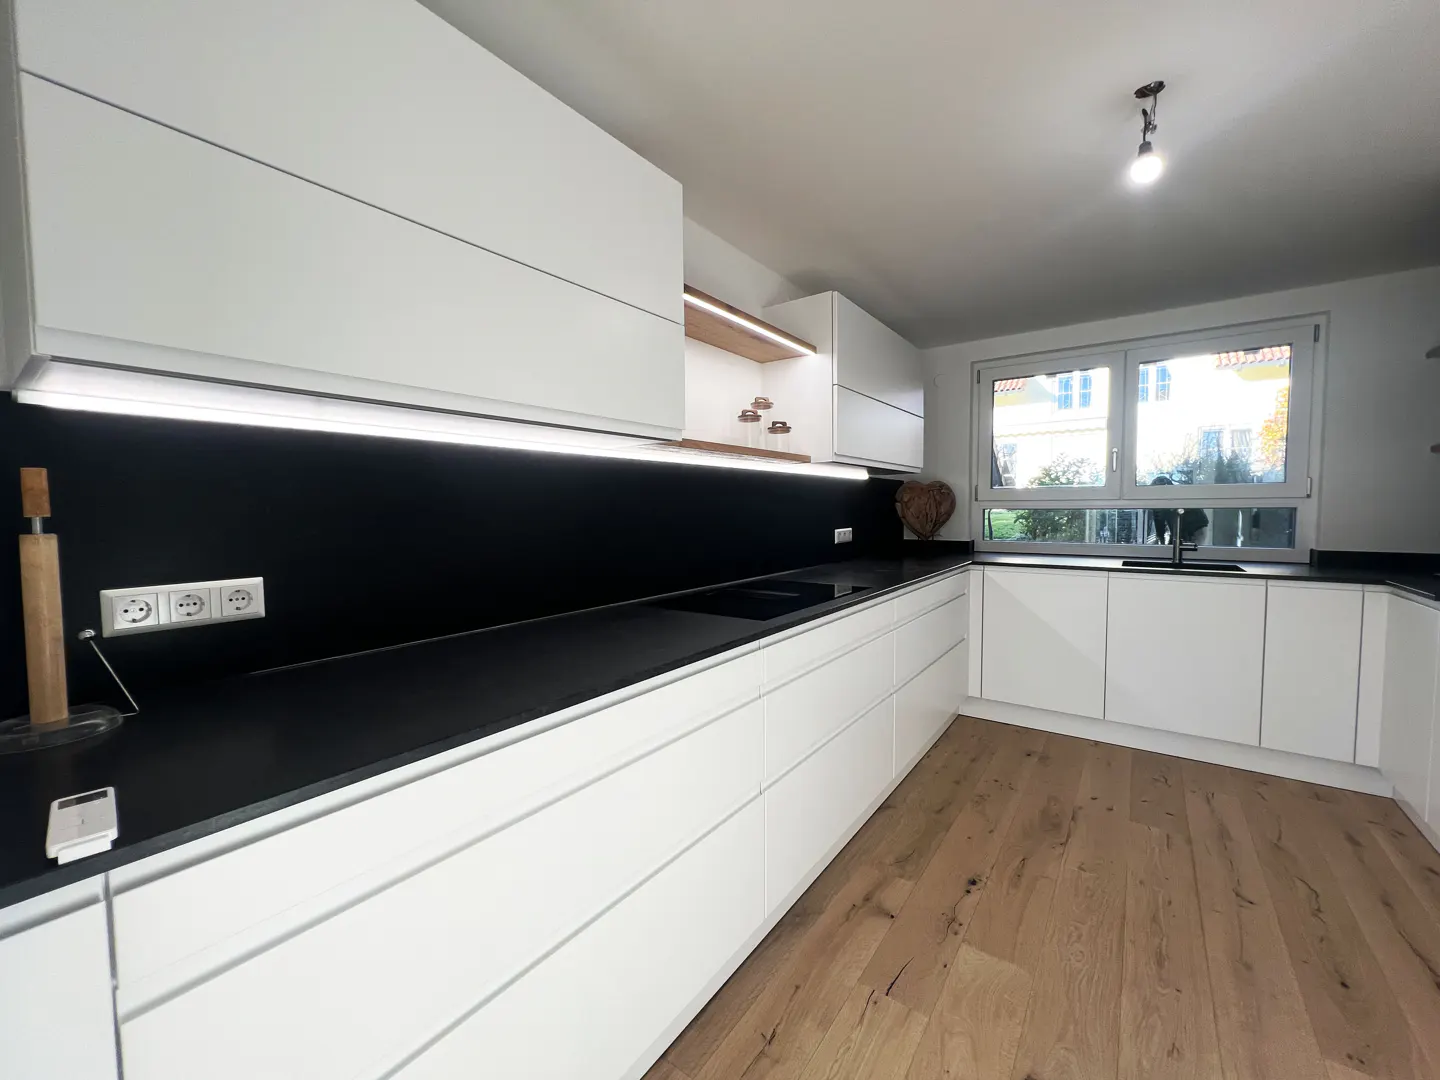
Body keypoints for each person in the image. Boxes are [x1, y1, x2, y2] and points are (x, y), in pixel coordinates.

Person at [1148, 475, 1209, 545]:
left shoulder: (1180, 498)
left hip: (1197, 527)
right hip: (1186, 527)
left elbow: (1179, 525)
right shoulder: (1158, 503)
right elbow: (1159, 527)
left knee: (1190, 549)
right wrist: (1162, 544)